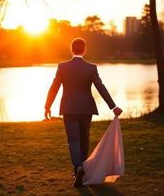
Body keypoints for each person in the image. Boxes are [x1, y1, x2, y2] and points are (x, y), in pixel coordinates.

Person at [44, 38, 122, 187]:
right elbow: (101, 88)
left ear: (71, 50)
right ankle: (82, 169)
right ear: (84, 50)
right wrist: (113, 107)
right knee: (84, 139)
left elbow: (54, 88)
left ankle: (78, 167)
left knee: (73, 140)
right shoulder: (91, 68)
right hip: (86, 109)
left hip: (69, 108)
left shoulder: (62, 67)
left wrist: (47, 106)